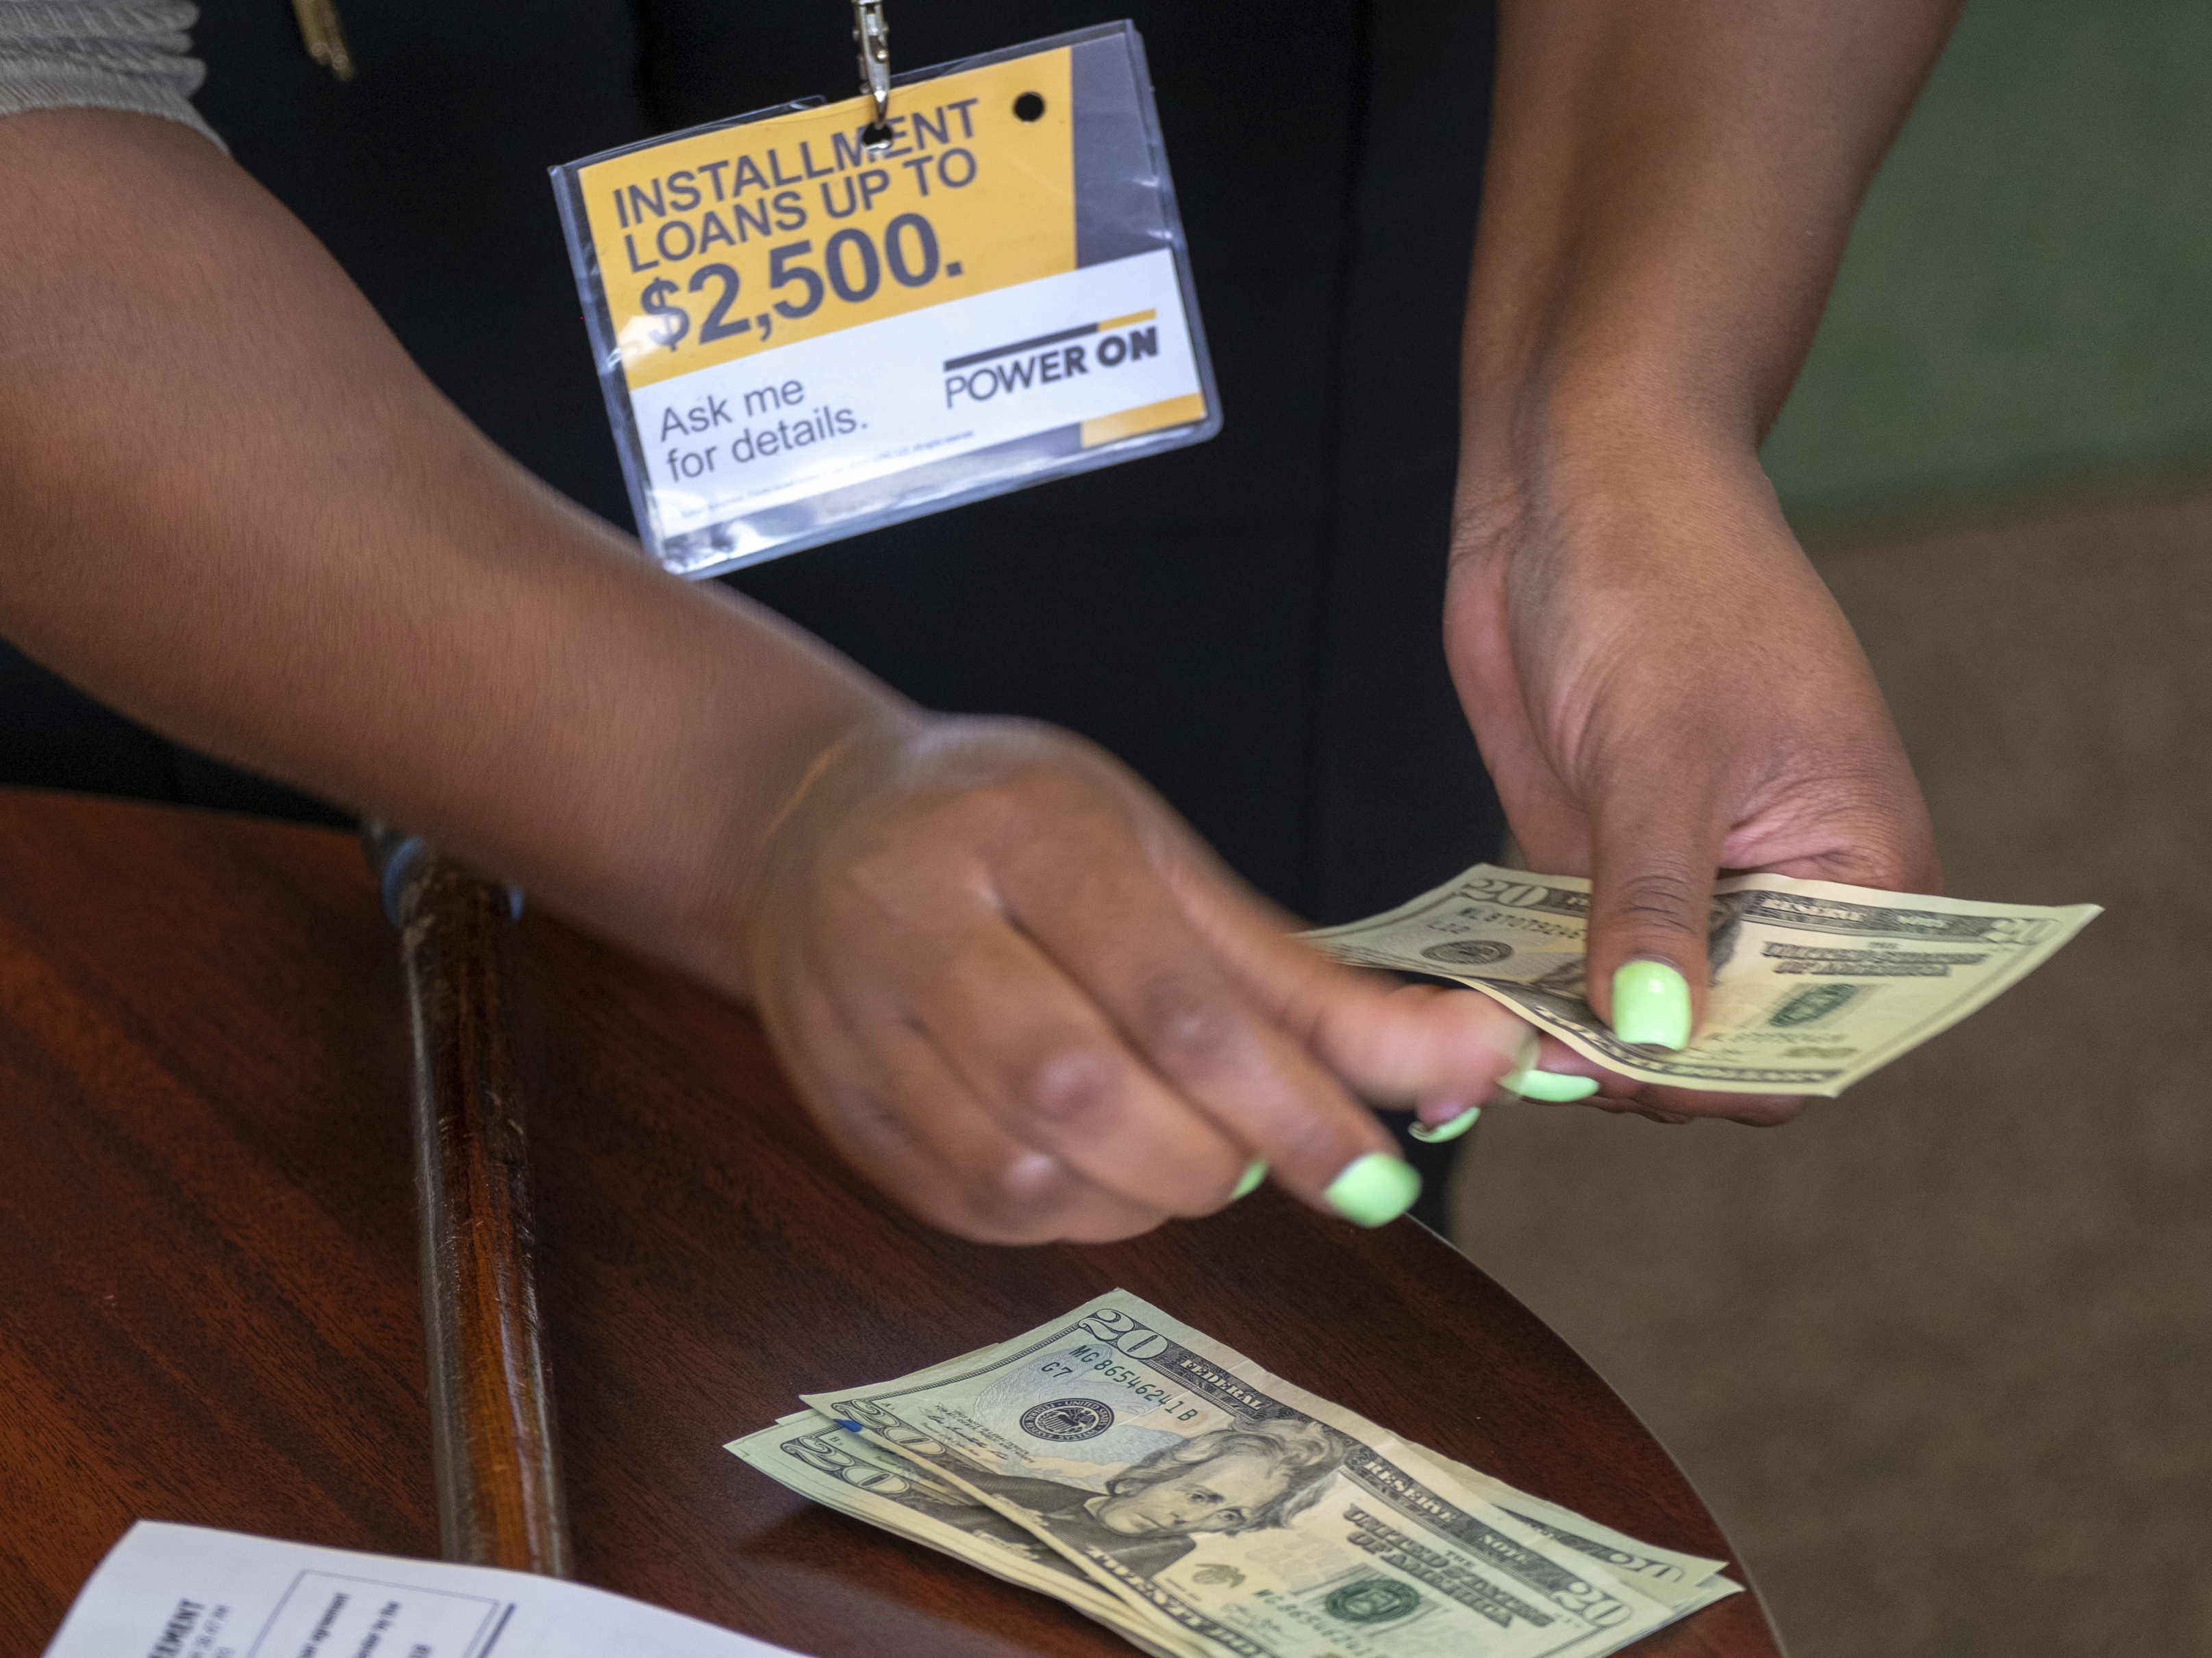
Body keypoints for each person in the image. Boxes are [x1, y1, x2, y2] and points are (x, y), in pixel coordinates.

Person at [0, 1, 1948, 1243]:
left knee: (1195, 1156)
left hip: (1218, 151)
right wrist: (772, 808)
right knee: (254, 1255)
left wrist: (1612, 426)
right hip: (213, 250)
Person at [919, 1420, 1347, 1579]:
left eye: (1230, 1515)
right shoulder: (1011, 1489)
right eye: (1200, 1495)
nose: (1190, 1520)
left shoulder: (1159, 1554)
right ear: (1143, 1478)